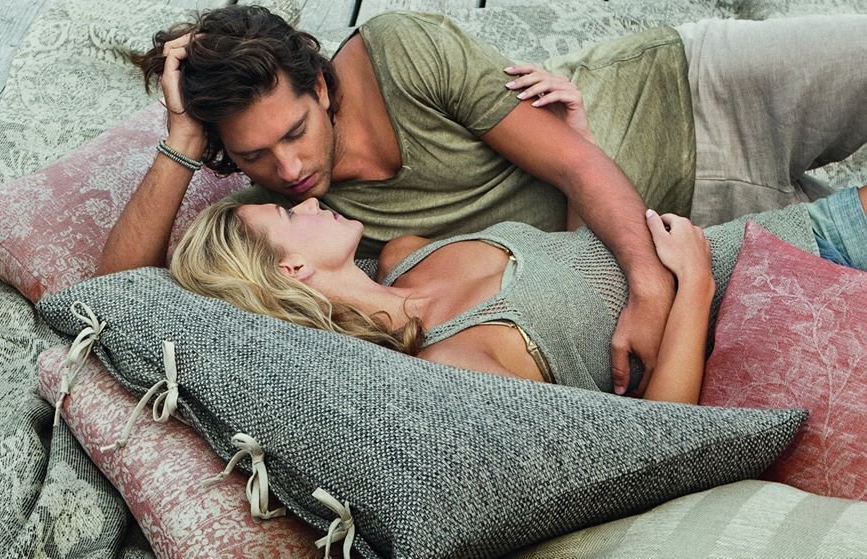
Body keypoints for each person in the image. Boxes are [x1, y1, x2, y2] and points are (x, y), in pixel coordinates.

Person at [99, 5, 867, 394]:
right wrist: (182, 139)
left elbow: (574, 165)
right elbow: (112, 298)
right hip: (710, 221)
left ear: (322, 88)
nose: (290, 168)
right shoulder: (310, 232)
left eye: (296, 132)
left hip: (693, 93)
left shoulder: (399, 52)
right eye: (255, 156)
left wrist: (654, 284)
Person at [169, 185, 867, 403]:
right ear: (292, 270)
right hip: (799, 297)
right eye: (288, 214)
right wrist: (695, 284)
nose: (308, 200)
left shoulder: (409, 255)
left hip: (788, 232)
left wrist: (578, 136)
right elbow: (662, 432)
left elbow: (575, 270)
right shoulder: (453, 365)